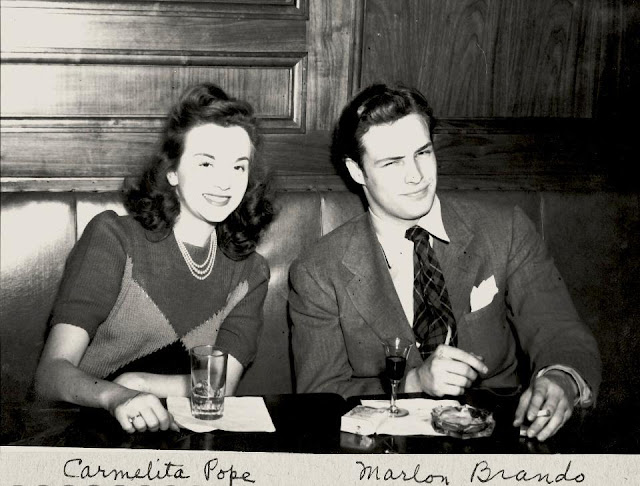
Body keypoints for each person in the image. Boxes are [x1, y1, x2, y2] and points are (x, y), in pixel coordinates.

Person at [289, 83, 601, 441]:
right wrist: (414, 382)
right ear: (357, 171)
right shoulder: (318, 270)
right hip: (382, 454)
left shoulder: (506, 230)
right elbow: (319, 397)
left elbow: (561, 332)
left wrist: (561, 379)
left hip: (496, 443)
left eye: (423, 153)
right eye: (392, 162)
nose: (416, 175)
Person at [35, 83, 274, 433]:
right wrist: (117, 396)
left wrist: (139, 383)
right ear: (172, 171)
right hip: (82, 427)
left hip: (174, 436)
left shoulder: (251, 272)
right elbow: (50, 374)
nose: (225, 182)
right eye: (206, 162)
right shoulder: (114, 238)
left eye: (239, 167)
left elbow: (220, 387)